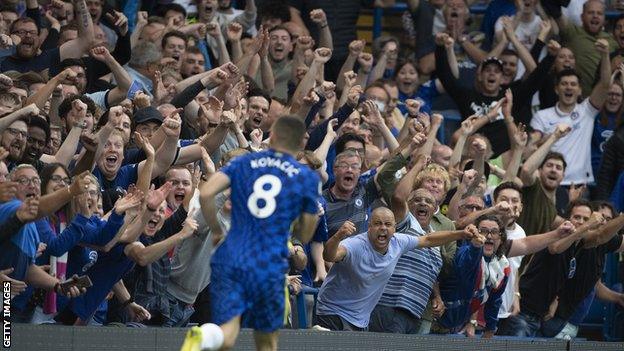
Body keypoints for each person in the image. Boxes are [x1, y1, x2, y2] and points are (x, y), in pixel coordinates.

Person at [197, 116, 321, 351]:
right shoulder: (305, 177)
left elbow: (205, 195)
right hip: (268, 263)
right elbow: (305, 235)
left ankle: (206, 339)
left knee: (228, 332)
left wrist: (215, 230)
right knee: (267, 342)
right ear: (299, 145)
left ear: (271, 137)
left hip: (232, 254)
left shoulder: (244, 162)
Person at [315, 206, 478, 331]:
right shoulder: (356, 244)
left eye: (388, 224)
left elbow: (428, 239)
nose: (383, 228)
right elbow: (329, 256)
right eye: (378, 224)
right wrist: (338, 236)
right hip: (332, 311)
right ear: (369, 227)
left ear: (395, 228)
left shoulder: (398, 242)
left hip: (360, 319)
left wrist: (461, 234)